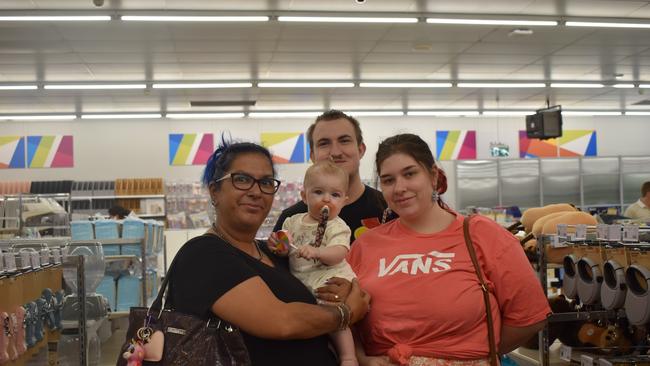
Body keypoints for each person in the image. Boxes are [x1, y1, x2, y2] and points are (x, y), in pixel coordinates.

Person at [347, 133, 550, 366]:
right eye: (388, 180)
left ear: (433, 176)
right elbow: (346, 320)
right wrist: (362, 358)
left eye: (410, 174)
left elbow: (529, 316)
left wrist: (473, 354)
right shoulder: (366, 246)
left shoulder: (482, 235)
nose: (399, 187)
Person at [167, 137, 369, 366]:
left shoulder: (273, 252)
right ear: (215, 191)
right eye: (241, 179)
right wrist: (347, 312)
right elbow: (282, 321)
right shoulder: (203, 255)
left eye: (265, 182)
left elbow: (317, 286)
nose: (256, 192)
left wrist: (340, 290)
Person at [269, 161, 359, 366]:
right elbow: (284, 247)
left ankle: (348, 356)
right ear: (304, 196)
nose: (327, 199)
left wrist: (318, 251)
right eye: (318, 192)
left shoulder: (337, 225)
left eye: (335, 195)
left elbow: (339, 252)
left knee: (333, 314)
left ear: (344, 201)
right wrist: (279, 246)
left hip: (328, 278)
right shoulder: (292, 221)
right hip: (302, 280)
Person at [274, 109, 393, 243]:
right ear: (312, 156)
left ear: (360, 150)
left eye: (344, 141)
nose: (335, 152)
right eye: (324, 143)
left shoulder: (389, 209)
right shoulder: (291, 220)